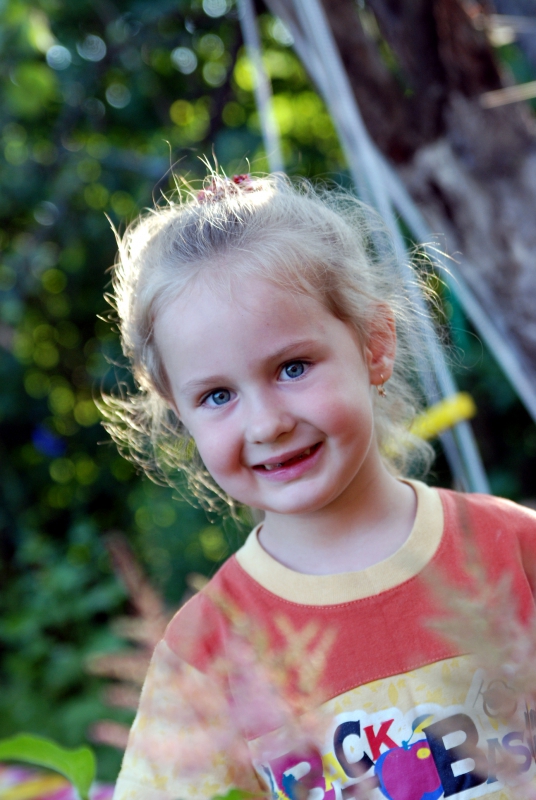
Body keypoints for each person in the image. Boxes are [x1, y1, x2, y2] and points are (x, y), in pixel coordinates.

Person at [106, 173, 536, 800]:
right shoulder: (208, 652)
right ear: (180, 413)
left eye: (293, 367)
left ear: (375, 345)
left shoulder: (512, 549)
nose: (267, 424)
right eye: (218, 395)